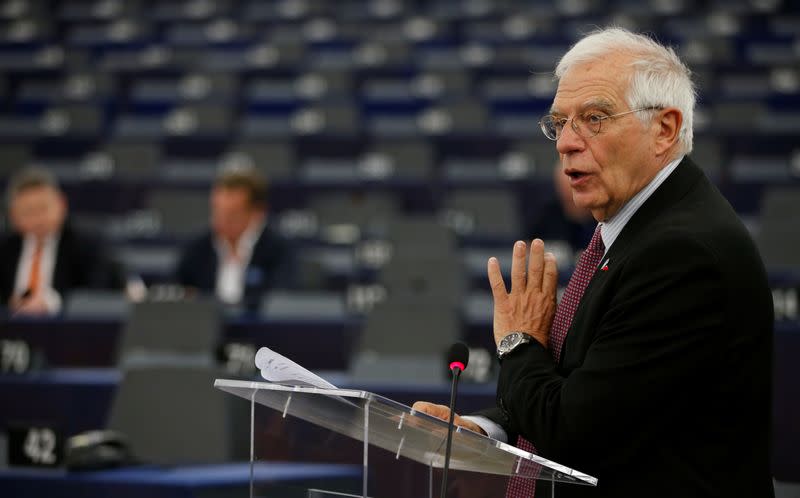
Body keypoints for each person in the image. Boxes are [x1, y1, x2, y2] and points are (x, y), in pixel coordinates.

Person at [414, 28, 774, 497]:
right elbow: (594, 389)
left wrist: (519, 342)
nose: (566, 142)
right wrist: (484, 429)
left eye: (594, 118)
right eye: (559, 123)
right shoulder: (637, 228)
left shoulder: (682, 254)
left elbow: (573, 431)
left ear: (664, 129)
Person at [0, 167, 127, 315]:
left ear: (61, 204)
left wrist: (52, 302)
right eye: (28, 212)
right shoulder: (5, 249)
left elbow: (99, 290)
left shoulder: (86, 244)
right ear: (14, 217)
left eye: (43, 209)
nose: (37, 219)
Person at [175, 167, 292, 310]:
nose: (220, 221)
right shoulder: (198, 247)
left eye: (231, 214)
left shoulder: (279, 250)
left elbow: (279, 301)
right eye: (217, 211)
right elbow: (174, 290)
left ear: (257, 212)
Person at [524, 162, 595, 253]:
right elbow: (528, 247)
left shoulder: (601, 216)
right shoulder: (548, 215)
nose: (566, 193)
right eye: (562, 186)